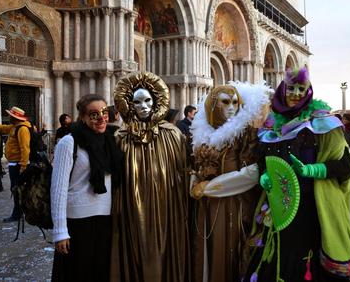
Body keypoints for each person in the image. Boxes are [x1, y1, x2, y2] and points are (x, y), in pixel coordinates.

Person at [243, 67, 350, 282]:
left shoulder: (322, 124)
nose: (297, 93)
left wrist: (312, 170)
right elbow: (264, 160)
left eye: (302, 89)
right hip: (279, 209)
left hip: (312, 210)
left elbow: (345, 166)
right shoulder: (270, 125)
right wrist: (264, 176)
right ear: (283, 89)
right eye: (292, 88)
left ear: (309, 92)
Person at [110, 72, 190, 282]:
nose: (143, 106)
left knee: (165, 246)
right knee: (137, 244)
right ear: (128, 104)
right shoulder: (120, 137)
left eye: (148, 100)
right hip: (131, 207)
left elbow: (183, 170)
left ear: (156, 101)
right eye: (137, 102)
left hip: (167, 204)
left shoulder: (172, 134)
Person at [189, 81, 270, 282]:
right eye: (225, 102)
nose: (232, 107)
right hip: (205, 205)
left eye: (235, 102)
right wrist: (193, 182)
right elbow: (195, 167)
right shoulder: (201, 135)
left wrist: (209, 187)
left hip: (232, 204)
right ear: (212, 105)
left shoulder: (245, 135)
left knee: (227, 249)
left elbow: (251, 173)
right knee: (206, 250)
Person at [51, 94, 123, 282]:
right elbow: (58, 189)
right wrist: (60, 231)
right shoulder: (69, 142)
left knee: (100, 273)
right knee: (77, 274)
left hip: (104, 219)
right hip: (77, 223)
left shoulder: (110, 141)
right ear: (82, 117)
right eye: (93, 114)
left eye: (104, 112)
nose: (101, 118)